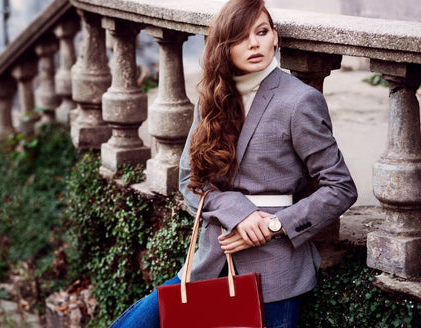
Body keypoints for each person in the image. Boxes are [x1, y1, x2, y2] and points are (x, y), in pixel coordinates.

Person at [110, 0, 357, 327]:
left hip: (274, 274)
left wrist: (273, 226)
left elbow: (341, 188)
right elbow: (189, 180)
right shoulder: (213, 98)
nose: (254, 43)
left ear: (276, 37)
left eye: (262, 32)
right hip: (212, 260)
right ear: (224, 48)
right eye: (241, 38)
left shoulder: (299, 101)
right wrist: (237, 212)